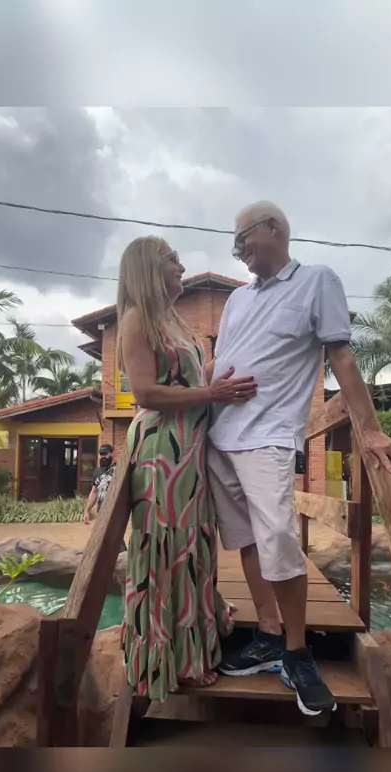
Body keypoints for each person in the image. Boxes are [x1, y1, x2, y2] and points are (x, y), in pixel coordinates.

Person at [207, 200, 391, 717]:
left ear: (272, 229)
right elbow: (220, 361)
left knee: (278, 539)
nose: (238, 251)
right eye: (234, 245)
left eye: (242, 239)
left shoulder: (317, 281)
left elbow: (342, 356)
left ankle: (297, 651)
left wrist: (370, 430)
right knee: (245, 540)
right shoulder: (236, 300)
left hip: (268, 434)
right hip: (219, 435)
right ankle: (269, 634)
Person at [116, 235, 257, 702]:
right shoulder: (137, 318)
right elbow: (145, 393)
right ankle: (170, 659)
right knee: (168, 548)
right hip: (162, 450)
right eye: (172, 260)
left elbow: (192, 376)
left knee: (192, 545)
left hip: (190, 450)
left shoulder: (173, 320)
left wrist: (228, 365)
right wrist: (212, 394)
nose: (181, 266)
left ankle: (193, 638)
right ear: (149, 268)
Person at [83, 443, 127, 552]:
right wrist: (87, 510)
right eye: (101, 454)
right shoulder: (97, 472)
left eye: (105, 454)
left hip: (115, 512)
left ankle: (123, 558)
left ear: (112, 454)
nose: (103, 457)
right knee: (103, 540)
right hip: (101, 513)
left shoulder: (119, 470)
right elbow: (94, 492)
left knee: (116, 539)